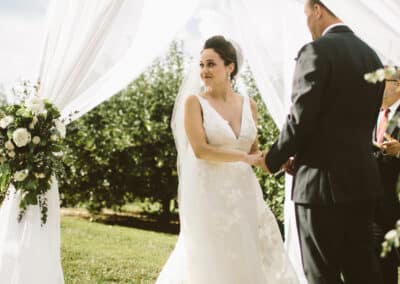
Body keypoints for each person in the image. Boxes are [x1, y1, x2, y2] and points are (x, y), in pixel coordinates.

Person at [258, 0, 385, 283]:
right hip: (363, 182)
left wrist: (273, 158)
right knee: (362, 271)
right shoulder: (371, 57)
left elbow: (301, 117)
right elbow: (350, 122)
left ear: (318, 10)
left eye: (306, 15)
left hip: (320, 186)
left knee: (321, 274)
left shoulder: (315, 51)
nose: (307, 24)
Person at [156, 35, 299, 284]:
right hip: (209, 194)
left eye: (211, 64)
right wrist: (246, 157)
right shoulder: (195, 103)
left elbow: (255, 152)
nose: (204, 71)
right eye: (201, 65)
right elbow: (201, 150)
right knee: (212, 259)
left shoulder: (250, 105)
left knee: (251, 253)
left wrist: (278, 161)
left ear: (229, 67)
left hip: (245, 193)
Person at [372, 68, 400, 284]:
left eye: (383, 81)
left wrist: (398, 150)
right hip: (371, 205)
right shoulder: (372, 114)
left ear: (397, 85)